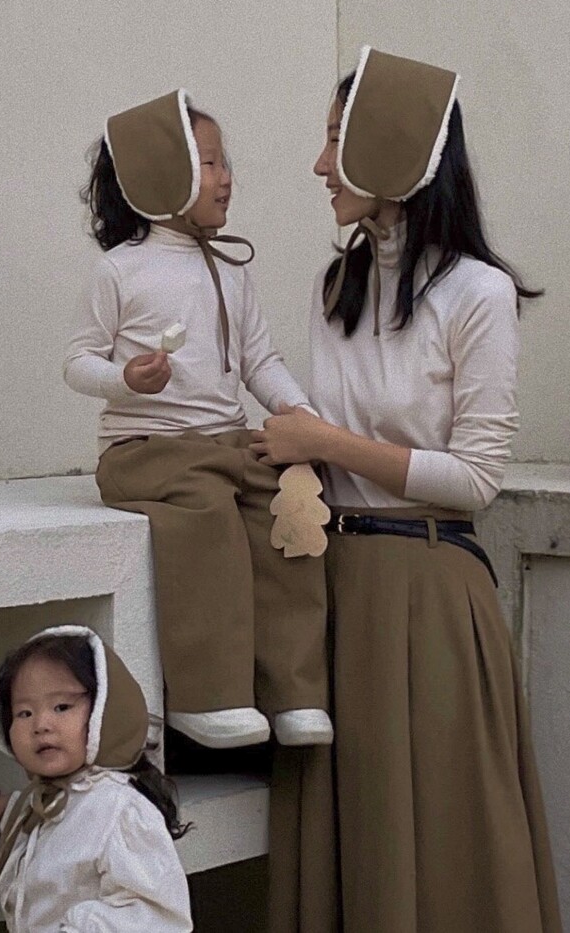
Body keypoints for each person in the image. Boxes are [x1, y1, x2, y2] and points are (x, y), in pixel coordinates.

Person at [253, 49, 563, 932]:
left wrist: (325, 440)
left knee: (444, 842)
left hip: (431, 597)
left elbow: (477, 477)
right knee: (354, 839)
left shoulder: (478, 293)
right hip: (331, 591)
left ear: (386, 147)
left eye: (336, 140)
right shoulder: (336, 287)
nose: (320, 164)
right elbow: (315, 436)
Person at [63, 90, 331, 750]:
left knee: (288, 514)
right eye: (208, 163)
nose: (225, 176)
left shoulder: (230, 270)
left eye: (223, 161)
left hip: (224, 443)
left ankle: (294, 691)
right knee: (206, 517)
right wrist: (125, 379)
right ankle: (209, 696)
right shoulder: (120, 269)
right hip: (146, 449)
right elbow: (77, 361)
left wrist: (299, 412)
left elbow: (259, 359)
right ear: (162, 175)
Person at [0, 625, 192, 933]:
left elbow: (157, 918)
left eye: (62, 707)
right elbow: (64, 820)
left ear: (105, 713)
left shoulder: (119, 811)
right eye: (24, 713)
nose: (41, 724)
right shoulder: (45, 802)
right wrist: (8, 807)